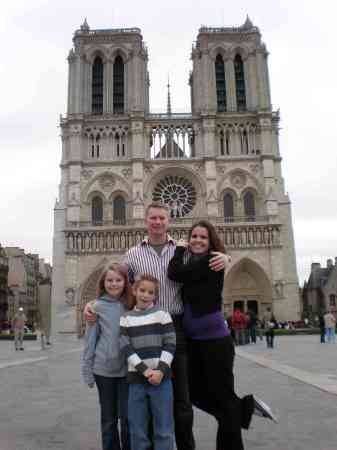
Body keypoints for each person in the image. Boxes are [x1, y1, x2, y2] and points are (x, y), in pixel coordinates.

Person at [85, 202, 229, 450]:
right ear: (146, 220)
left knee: (181, 398)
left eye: (162, 218)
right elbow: (115, 283)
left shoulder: (183, 250)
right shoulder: (132, 254)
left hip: (176, 326)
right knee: (146, 393)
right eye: (153, 218)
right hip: (143, 327)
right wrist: (93, 303)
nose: (158, 222)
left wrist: (226, 257)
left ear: (168, 221)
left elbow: (208, 258)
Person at [167, 220, 277, 450]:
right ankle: (245, 407)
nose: (197, 240)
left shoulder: (212, 261)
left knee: (224, 403)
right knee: (195, 394)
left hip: (216, 343)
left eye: (203, 237)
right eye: (194, 236)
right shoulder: (195, 262)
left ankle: (237, 415)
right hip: (195, 342)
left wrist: (179, 248)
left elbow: (174, 272)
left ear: (211, 242)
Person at [120, 274, 176, 450]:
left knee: (164, 428)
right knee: (137, 429)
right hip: (137, 381)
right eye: (142, 290)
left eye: (150, 292)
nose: (145, 295)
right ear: (134, 291)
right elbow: (125, 347)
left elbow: (170, 343)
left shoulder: (163, 315)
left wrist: (160, 371)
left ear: (155, 296)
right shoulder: (126, 318)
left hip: (162, 380)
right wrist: (145, 371)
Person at [81, 263, 133, 450]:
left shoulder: (132, 304)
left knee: (128, 418)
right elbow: (90, 340)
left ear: (125, 282)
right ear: (103, 283)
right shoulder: (96, 307)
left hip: (129, 370)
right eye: (109, 280)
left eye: (118, 280)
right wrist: (87, 370)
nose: (114, 284)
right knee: (108, 419)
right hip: (104, 370)